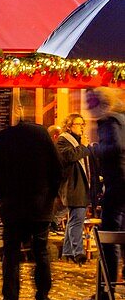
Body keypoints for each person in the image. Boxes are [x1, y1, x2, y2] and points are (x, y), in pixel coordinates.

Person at [0, 119, 62, 300]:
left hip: (13, 206)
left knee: (11, 256)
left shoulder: (5, 137)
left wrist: (1, 197)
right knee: (41, 254)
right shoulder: (42, 136)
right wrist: (50, 196)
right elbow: (57, 169)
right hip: (40, 206)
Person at [80, 88, 125, 300]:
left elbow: (115, 147)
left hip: (118, 188)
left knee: (109, 242)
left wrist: (96, 147)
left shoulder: (109, 122)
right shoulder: (121, 118)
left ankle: (106, 293)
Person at [57, 113, 93, 264]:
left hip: (81, 185)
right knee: (77, 219)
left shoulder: (79, 141)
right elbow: (70, 157)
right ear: (69, 126)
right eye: (78, 124)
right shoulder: (62, 140)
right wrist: (83, 146)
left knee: (74, 219)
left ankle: (67, 251)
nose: (82, 127)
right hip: (72, 185)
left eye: (83, 124)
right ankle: (78, 252)